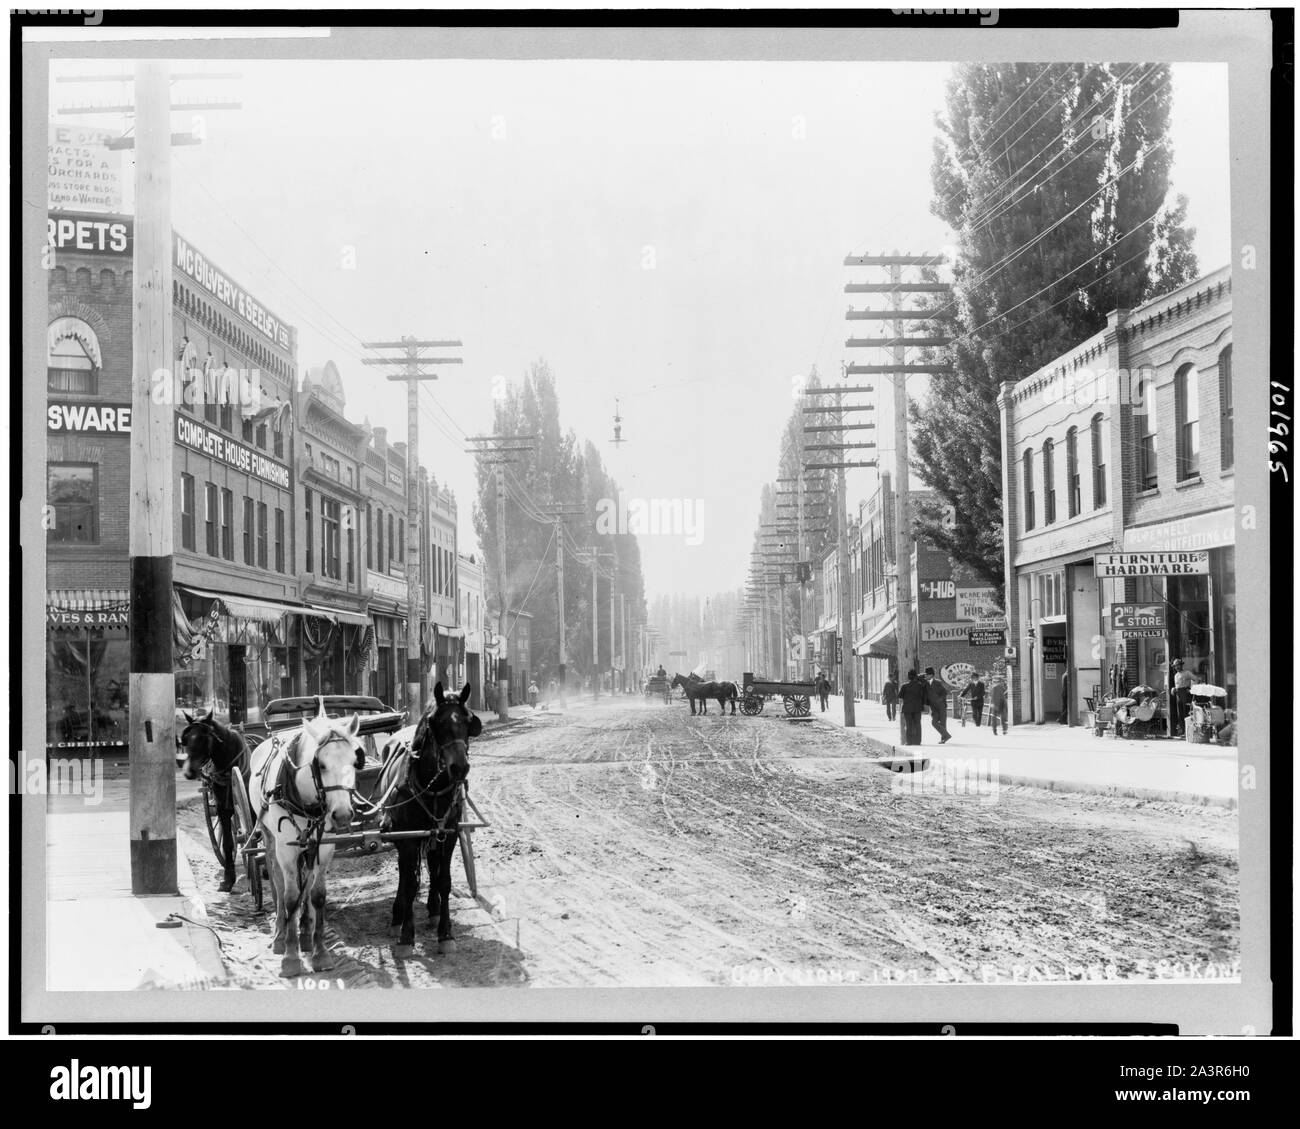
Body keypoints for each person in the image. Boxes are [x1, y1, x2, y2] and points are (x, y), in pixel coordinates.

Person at [898, 670, 927, 745]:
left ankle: (909, 741)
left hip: (907, 708)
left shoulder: (904, 686)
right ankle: (918, 741)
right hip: (917, 708)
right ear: (915, 676)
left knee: (908, 725)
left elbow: (900, 696)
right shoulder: (920, 686)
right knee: (918, 724)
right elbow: (923, 696)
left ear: (908, 677)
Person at [924, 667, 951, 744]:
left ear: (931, 675)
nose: (926, 676)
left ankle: (943, 739)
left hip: (941, 706)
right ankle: (946, 735)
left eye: (927, 675)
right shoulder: (925, 683)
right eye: (925, 675)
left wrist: (940, 699)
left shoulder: (938, 682)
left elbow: (944, 692)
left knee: (943, 723)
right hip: (933, 707)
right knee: (934, 722)